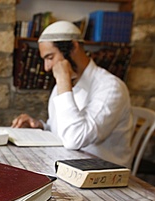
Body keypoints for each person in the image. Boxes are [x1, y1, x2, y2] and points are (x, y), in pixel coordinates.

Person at [11, 20, 133, 167]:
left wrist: (63, 82)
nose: (47, 67)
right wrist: (40, 126)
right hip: (66, 167)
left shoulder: (111, 87)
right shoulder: (62, 85)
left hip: (102, 178)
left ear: (73, 47)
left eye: (50, 58)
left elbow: (74, 139)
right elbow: (60, 129)